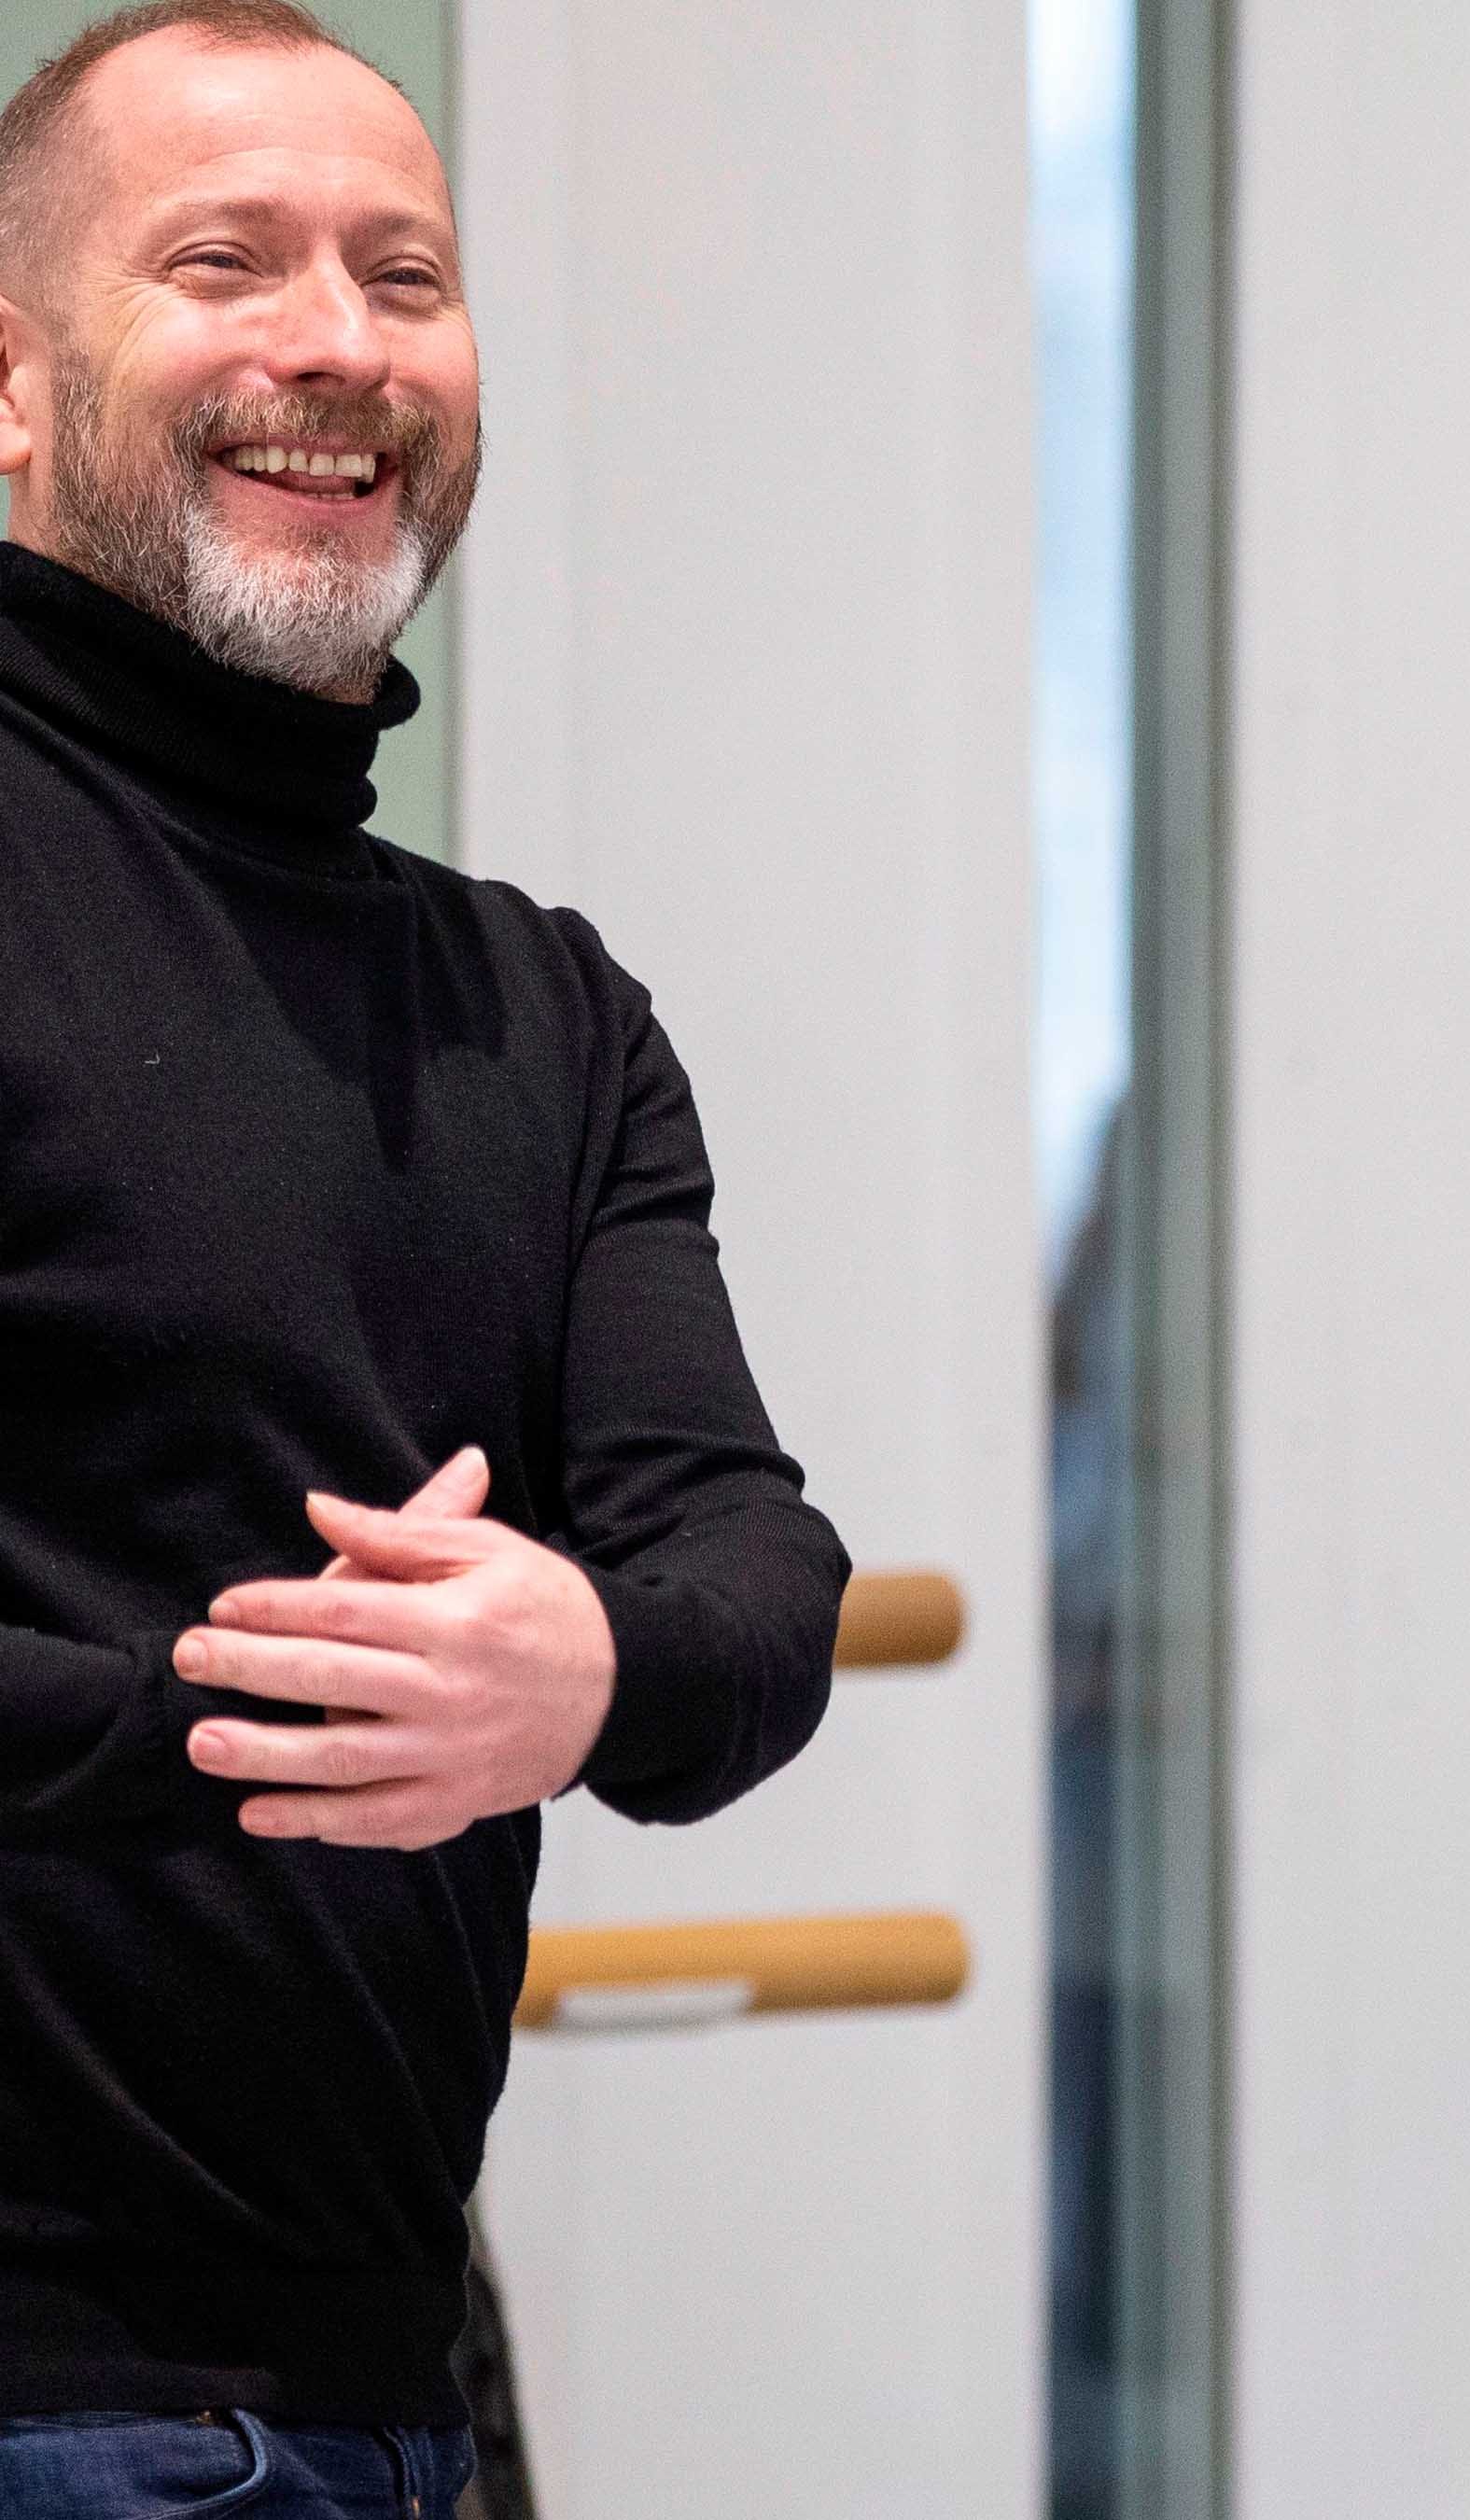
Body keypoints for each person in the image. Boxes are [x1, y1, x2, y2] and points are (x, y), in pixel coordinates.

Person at [0, 8, 842, 2513]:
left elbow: (749, 1574)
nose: (336, 345)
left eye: (405, 273)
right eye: (221, 263)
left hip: (366, 2409)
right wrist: (293, 1717)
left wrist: (582, 1659)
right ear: (14, 384)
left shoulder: (545, 1013)